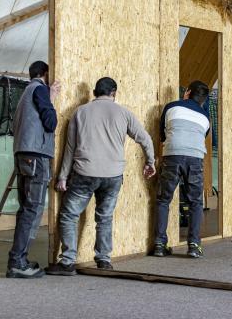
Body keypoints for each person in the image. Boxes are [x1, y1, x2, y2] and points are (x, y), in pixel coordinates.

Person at [46, 77, 156, 275]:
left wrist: (62, 176)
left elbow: (69, 148)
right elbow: (145, 138)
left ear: (95, 92)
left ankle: (68, 262)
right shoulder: (123, 113)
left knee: (69, 215)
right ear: (113, 93)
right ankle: (104, 260)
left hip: (84, 173)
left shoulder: (80, 112)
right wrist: (150, 162)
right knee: (105, 217)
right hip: (113, 176)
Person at [7, 61, 60, 279]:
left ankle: (18, 259)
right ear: (45, 74)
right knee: (33, 209)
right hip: (36, 155)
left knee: (26, 209)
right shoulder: (39, 89)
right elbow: (51, 122)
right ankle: (17, 262)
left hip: (23, 154)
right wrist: (51, 99)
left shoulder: (26, 92)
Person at [154, 80, 210, 259]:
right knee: (195, 202)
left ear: (187, 92)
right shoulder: (205, 117)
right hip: (195, 158)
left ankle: (159, 245)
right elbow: (201, 136)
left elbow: (163, 135)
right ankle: (194, 246)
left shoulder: (171, 107)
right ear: (203, 100)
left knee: (163, 199)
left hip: (172, 155)